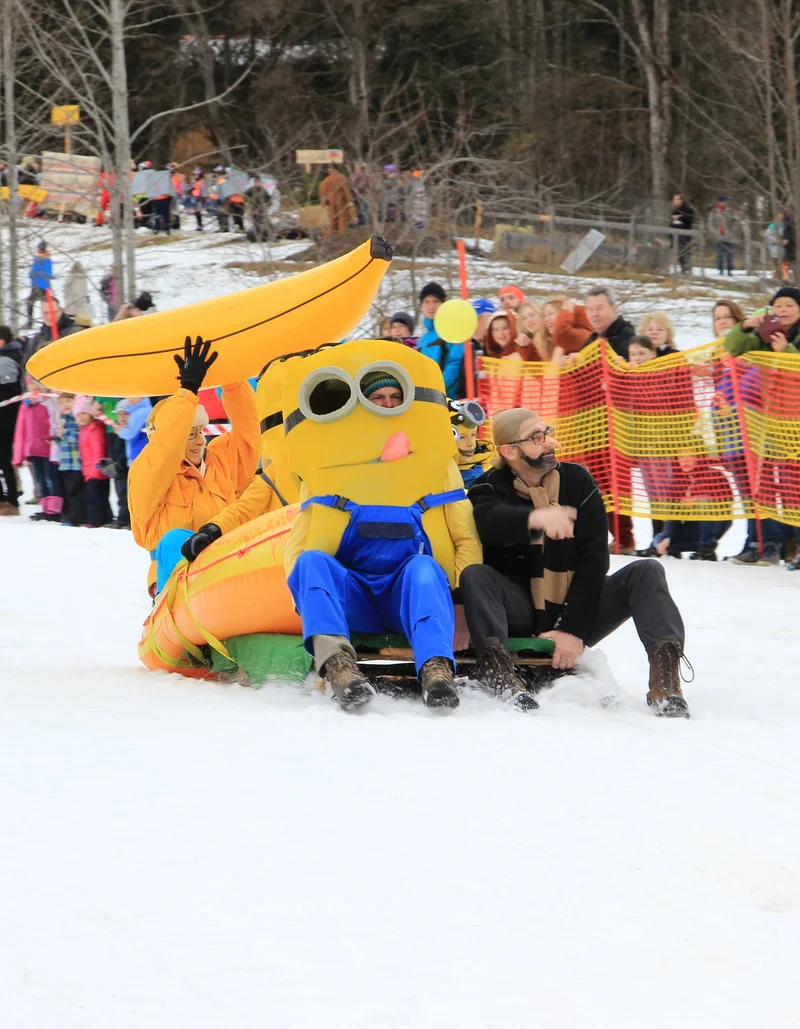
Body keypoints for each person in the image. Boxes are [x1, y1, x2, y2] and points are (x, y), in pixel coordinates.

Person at [460, 407, 691, 717]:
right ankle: (499, 673)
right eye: (537, 437)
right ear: (509, 450)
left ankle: (666, 681)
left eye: (548, 432)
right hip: (519, 611)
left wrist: (571, 629)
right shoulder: (488, 486)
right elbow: (491, 522)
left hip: (575, 609)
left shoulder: (577, 480)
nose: (549, 442)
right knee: (476, 575)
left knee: (647, 571)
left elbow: (594, 560)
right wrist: (535, 518)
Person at [284, 370, 482, 712]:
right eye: (379, 398)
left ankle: (436, 671)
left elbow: (466, 536)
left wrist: (462, 602)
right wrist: (308, 602)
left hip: (409, 598)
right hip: (354, 596)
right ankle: (340, 670)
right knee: (311, 562)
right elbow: (299, 545)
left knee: (423, 566)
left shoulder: (437, 465)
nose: (388, 405)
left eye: (395, 398)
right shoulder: (329, 468)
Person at [128, 337, 259, 595]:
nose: (200, 440)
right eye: (189, 434)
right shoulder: (148, 471)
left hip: (224, 574)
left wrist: (233, 382)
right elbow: (166, 448)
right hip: (176, 583)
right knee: (175, 538)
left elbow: (249, 434)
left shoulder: (219, 461)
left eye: (201, 431)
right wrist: (187, 390)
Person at [13, 381, 63, 521]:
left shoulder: (49, 402)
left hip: (48, 447)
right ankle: (46, 508)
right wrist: (19, 454)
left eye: (38, 383)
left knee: (50, 478)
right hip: (33, 448)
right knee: (39, 479)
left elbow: (55, 421)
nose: (35, 387)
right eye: (31, 384)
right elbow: (21, 430)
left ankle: (55, 509)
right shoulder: (26, 405)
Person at [416, 282, 464, 398]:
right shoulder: (422, 340)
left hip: (447, 398)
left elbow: (455, 364)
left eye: (435, 301)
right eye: (427, 302)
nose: (431, 306)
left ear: (443, 303)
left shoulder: (452, 330)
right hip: (426, 397)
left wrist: (438, 389)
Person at [724, 287, 800, 355]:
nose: (783, 310)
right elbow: (732, 349)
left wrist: (786, 350)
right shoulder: (763, 334)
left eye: (789, 305)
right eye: (778, 306)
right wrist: (745, 326)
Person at [72, 396, 111, 527]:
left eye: (83, 413)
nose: (81, 417)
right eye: (78, 414)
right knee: (96, 497)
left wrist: (96, 470)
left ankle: (94, 520)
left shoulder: (95, 430)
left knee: (95, 498)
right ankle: (104, 518)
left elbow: (98, 451)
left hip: (95, 471)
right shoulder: (83, 431)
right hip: (88, 470)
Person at [0, 325, 24, 515]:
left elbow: (8, 389)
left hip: (6, 416)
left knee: (4, 458)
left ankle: (11, 500)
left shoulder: (7, 358)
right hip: (8, 413)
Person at [54, 393, 86, 526]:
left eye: (68, 401)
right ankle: (68, 515)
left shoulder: (76, 419)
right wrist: (57, 437)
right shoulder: (62, 420)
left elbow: (78, 439)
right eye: (62, 403)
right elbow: (63, 444)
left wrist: (64, 433)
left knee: (75, 492)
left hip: (76, 463)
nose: (65, 405)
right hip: (65, 462)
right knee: (67, 491)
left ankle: (76, 518)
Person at [583, 285, 635, 358]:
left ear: (614, 308)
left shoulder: (627, 337)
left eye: (599, 308)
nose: (595, 314)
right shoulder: (594, 338)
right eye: (590, 310)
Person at [24, 296, 80, 361]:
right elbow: (27, 365)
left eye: (53, 312)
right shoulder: (36, 339)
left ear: (61, 311)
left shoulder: (74, 333)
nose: (50, 316)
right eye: (46, 313)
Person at [543, 296, 592, 362]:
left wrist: (566, 312)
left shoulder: (583, 333)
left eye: (550, 314)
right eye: (544, 316)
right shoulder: (555, 341)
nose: (546, 319)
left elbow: (563, 332)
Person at [707, 195, 740, 276]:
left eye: (724, 201)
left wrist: (732, 231)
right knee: (720, 254)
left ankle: (729, 271)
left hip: (729, 236)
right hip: (718, 236)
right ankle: (720, 271)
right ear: (718, 202)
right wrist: (714, 232)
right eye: (721, 201)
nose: (722, 203)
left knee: (730, 254)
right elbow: (709, 223)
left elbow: (737, 221)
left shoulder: (731, 211)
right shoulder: (714, 212)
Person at [319, 165, 352, 235]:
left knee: (331, 219)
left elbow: (323, 194)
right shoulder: (342, 178)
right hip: (340, 201)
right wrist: (349, 201)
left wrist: (324, 203)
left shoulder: (324, 182)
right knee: (342, 218)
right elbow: (346, 191)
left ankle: (330, 235)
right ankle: (342, 235)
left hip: (330, 203)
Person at [26, 241, 53, 329]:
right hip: (35, 284)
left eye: (39, 248)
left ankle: (35, 323)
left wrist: (37, 273)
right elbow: (34, 269)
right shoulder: (38, 257)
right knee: (31, 303)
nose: (38, 249)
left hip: (43, 286)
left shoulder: (46, 259)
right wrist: (31, 274)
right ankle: (32, 322)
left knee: (39, 304)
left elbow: (49, 273)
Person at [671, 194, 695, 274]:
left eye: (676, 199)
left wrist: (678, 218)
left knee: (685, 252)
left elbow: (689, 218)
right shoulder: (674, 211)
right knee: (679, 253)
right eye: (674, 199)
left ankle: (687, 268)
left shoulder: (688, 210)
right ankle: (683, 269)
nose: (674, 201)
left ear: (681, 200)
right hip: (676, 235)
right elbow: (672, 223)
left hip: (685, 235)